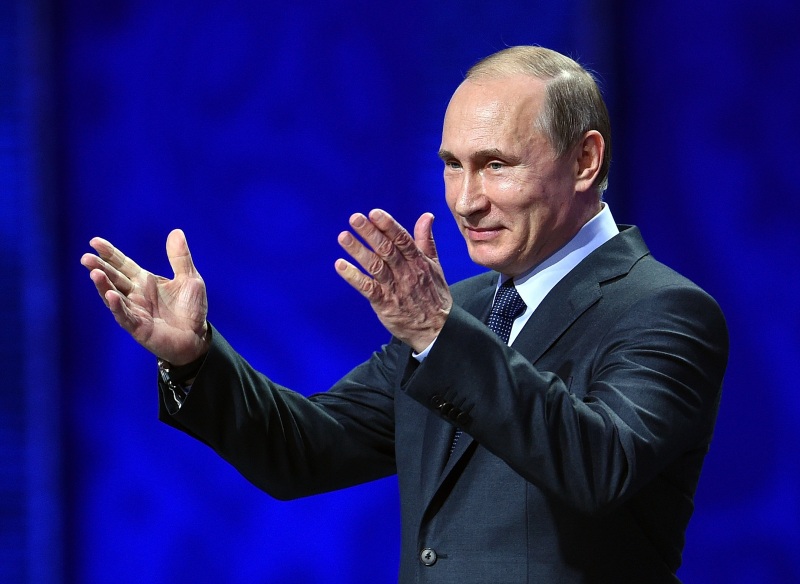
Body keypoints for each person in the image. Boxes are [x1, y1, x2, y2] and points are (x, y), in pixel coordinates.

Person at [81, 46, 729, 583]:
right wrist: (194, 358)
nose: (466, 200)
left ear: (585, 160)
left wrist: (437, 335)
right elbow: (305, 450)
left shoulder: (661, 310)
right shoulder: (466, 311)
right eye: (452, 166)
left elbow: (601, 466)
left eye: (495, 165)